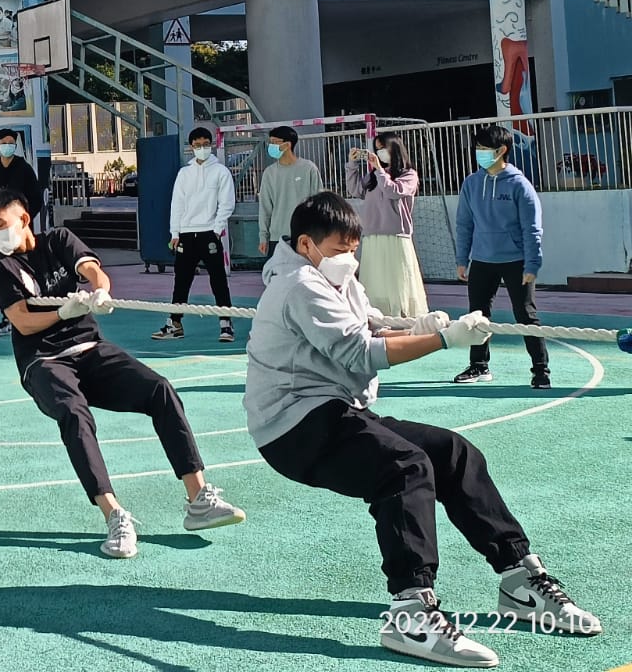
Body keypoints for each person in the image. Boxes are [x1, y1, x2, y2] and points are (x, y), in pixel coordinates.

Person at [245, 192, 600, 666]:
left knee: (452, 452)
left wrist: (419, 327)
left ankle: (519, 578)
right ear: (306, 244)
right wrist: (443, 340)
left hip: (334, 411)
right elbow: (360, 353)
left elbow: (369, 329)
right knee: (404, 468)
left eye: (353, 249)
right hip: (293, 427)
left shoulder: (335, 278)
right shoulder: (298, 285)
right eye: (338, 250)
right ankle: (411, 611)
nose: (348, 259)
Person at [0, 188, 245, 558]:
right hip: (44, 361)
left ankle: (198, 498)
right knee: (74, 413)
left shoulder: (58, 240)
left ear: (23, 219)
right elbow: (22, 322)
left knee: (159, 389)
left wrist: (100, 291)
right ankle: (114, 515)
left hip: (91, 349)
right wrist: (63, 312)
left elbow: (92, 271)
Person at [454, 125, 549, 389]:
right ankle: (479, 365)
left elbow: (532, 229)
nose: (479, 153)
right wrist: (462, 259)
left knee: (526, 315)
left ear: (501, 150)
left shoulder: (520, 185)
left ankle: (541, 370)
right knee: (477, 315)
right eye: (477, 148)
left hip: (516, 261)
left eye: (484, 148)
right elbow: (464, 224)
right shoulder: (471, 183)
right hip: (482, 260)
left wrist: (532, 263)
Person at [154, 126, 237, 343]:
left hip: (209, 233)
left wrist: (217, 229)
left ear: (211, 145)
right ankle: (175, 324)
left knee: (218, 280)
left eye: (205, 144)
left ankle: (226, 324)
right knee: (181, 281)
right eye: (197, 145)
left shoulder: (221, 172)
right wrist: (175, 232)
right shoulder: (184, 173)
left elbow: (227, 203)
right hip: (186, 235)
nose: (202, 148)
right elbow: (177, 204)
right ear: (191, 147)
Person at [346, 133, 428, 318]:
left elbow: (393, 191)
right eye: (377, 149)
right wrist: (352, 165)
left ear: (394, 148)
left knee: (399, 281)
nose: (380, 153)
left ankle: (403, 316)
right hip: (372, 235)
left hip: (396, 236)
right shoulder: (373, 176)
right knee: (375, 281)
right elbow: (355, 190)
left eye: (383, 148)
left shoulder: (409, 174)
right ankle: (376, 316)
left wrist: (379, 170)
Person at [0, 127, 43, 337]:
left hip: (20, 232)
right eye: (4, 143)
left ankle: (35, 309)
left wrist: (23, 221)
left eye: (11, 142)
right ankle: (8, 317)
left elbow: (36, 198)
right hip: (0, 233)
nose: (8, 146)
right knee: (3, 270)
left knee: (28, 270)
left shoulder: (24, 169)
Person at [257, 124, 324, 256]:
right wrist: (263, 237)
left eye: (274, 142)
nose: (271, 146)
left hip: (304, 236)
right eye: (270, 142)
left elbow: (319, 204)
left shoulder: (309, 169)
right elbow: (265, 208)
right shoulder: (269, 173)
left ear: (287, 145)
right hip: (277, 237)